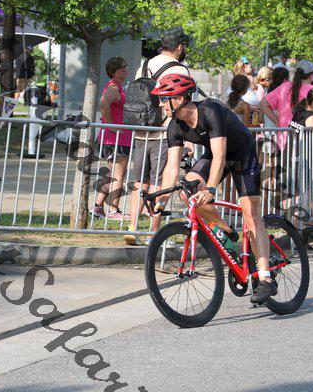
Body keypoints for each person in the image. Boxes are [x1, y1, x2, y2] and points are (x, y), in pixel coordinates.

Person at [151, 74, 277, 304]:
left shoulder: (210, 110)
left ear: (179, 99)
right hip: (216, 155)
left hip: (241, 154)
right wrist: (161, 200)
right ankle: (226, 231)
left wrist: (210, 189)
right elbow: (171, 168)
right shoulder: (174, 126)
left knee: (250, 214)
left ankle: (266, 277)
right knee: (187, 190)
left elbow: (220, 155)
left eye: (163, 99)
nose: (160, 104)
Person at [124, 26, 191, 246]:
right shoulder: (179, 70)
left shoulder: (145, 65)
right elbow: (183, 104)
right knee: (159, 183)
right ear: (179, 47)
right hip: (164, 132)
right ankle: (154, 233)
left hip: (141, 130)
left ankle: (132, 227)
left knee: (139, 182)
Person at [91, 57, 132, 220]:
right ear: (113, 72)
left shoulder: (117, 86)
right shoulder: (114, 87)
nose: (125, 69)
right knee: (118, 175)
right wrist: (111, 126)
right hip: (116, 138)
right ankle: (114, 211)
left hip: (116, 137)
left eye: (125, 66)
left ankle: (97, 207)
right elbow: (103, 104)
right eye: (120, 68)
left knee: (112, 174)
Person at [260, 59, 313, 151]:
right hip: (306, 143)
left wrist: (277, 122)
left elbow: (263, 104)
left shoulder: (284, 87)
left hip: (285, 141)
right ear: (311, 75)